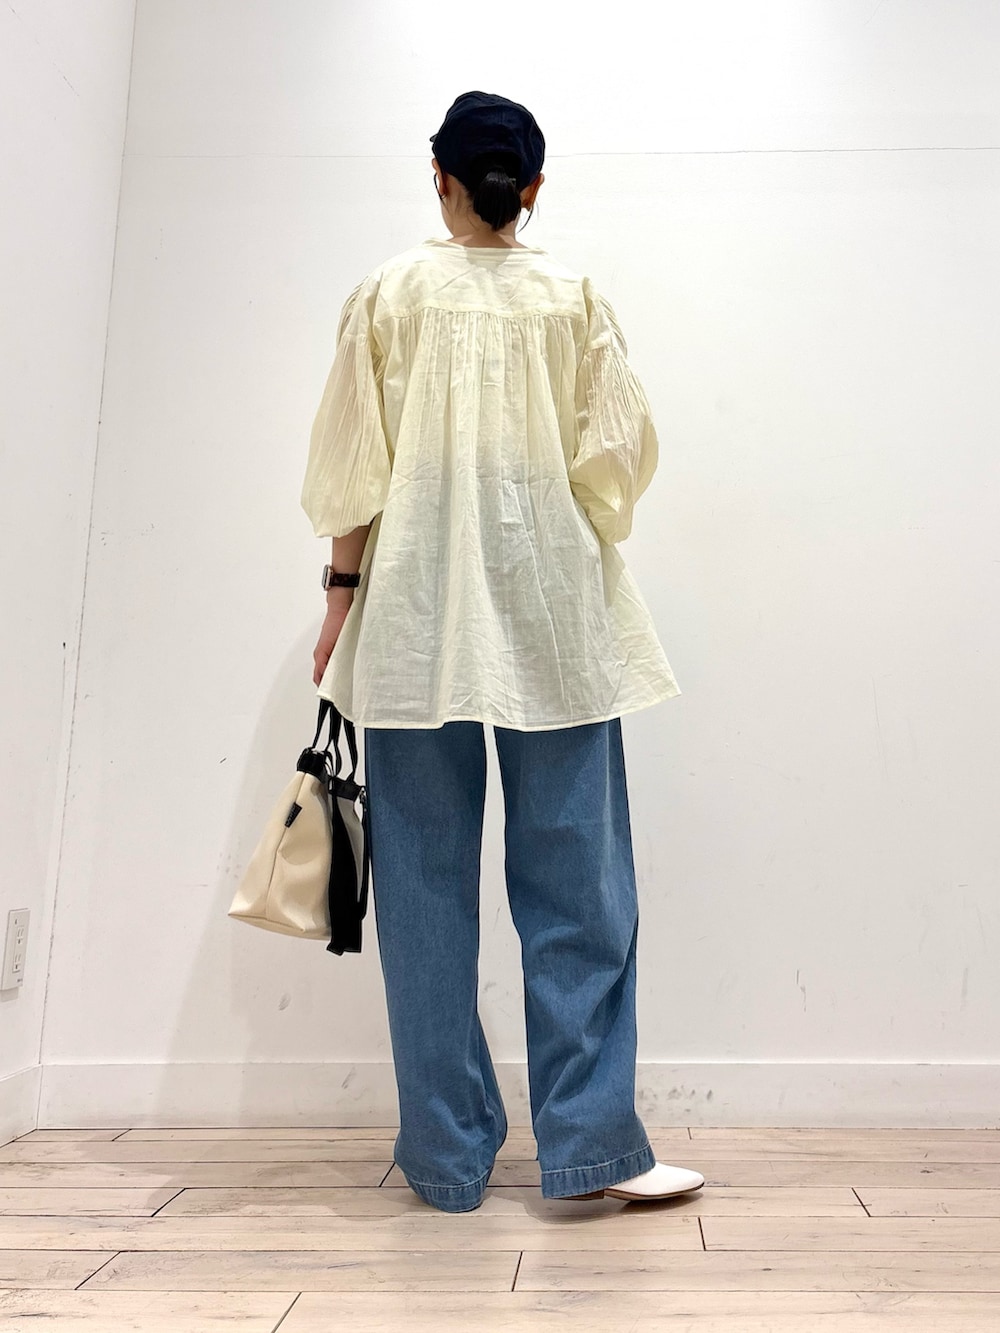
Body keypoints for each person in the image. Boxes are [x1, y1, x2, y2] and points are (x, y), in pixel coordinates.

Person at [300, 91, 705, 1214]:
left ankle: (445, 1159)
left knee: (424, 896)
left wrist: (341, 596)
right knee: (581, 890)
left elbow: (351, 468)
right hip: (554, 622)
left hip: (412, 623)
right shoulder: (574, 299)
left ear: (438, 176)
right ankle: (593, 1148)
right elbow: (616, 467)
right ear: (532, 189)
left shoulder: (386, 294)